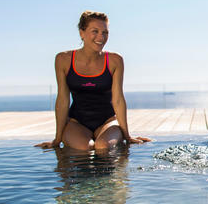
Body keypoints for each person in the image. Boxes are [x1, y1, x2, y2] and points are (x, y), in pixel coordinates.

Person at [36, 11, 150, 150]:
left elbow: (118, 99)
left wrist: (127, 136)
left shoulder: (115, 60)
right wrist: (57, 138)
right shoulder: (63, 60)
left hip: (108, 121)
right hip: (76, 122)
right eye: (95, 31)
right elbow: (62, 100)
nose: (101, 37)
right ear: (81, 33)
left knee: (102, 147)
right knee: (85, 148)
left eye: (105, 32)